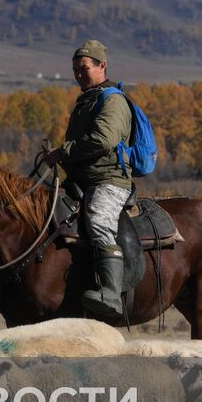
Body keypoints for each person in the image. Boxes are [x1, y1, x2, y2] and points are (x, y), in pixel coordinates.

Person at [43, 40, 132, 322]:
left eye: (84, 68)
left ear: (102, 66)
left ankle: (110, 293)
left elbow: (103, 140)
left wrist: (63, 151)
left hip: (108, 179)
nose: (79, 74)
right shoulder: (87, 100)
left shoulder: (113, 100)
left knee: (97, 219)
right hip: (81, 179)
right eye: (75, 70)